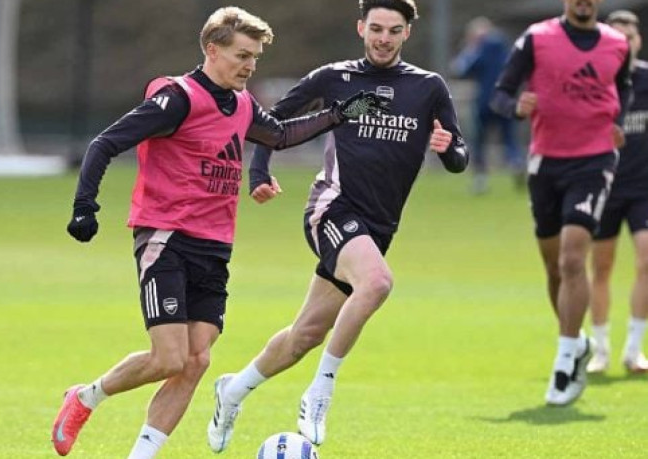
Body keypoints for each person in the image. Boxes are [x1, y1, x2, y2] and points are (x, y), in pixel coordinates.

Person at [49, 7, 386, 459]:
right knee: (169, 357)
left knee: (197, 360)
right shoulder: (179, 98)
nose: (250, 65)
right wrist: (84, 207)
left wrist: (338, 115)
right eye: (241, 55)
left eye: (256, 58)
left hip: (214, 245)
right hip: (166, 236)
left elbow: (279, 135)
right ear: (212, 49)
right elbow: (104, 143)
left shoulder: (242, 103)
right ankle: (86, 397)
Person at [207, 0, 469, 451]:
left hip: (378, 227)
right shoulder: (335, 78)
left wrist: (447, 148)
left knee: (304, 335)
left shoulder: (428, 87)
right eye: (376, 29)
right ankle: (320, 393)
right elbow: (270, 122)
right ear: (361, 28)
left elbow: (459, 159)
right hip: (332, 209)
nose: (383, 38)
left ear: (407, 33)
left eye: (394, 30)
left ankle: (232, 390)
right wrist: (259, 172)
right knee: (378, 283)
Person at [490, 0, 631, 405]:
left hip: (595, 160)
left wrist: (617, 123)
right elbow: (500, 94)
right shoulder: (537, 38)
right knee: (555, 267)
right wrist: (516, 106)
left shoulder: (617, 43)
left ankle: (566, 362)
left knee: (573, 259)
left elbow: (624, 88)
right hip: (546, 163)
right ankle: (579, 342)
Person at [586, 10, 648, 374]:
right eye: (617, 35)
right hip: (603, 184)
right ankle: (601, 350)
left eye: (631, 36)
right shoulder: (592, 82)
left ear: (638, 41)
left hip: (643, 189)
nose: (624, 43)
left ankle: (634, 349)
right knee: (601, 267)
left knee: (645, 259)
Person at [450, 17, 524, 194]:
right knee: (509, 139)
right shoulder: (506, 49)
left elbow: (461, 69)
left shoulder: (479, 48)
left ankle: (480, 180)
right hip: (505, 100)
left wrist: (469, 49)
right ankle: (516, 163)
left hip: (484, 101)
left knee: (480, 141)